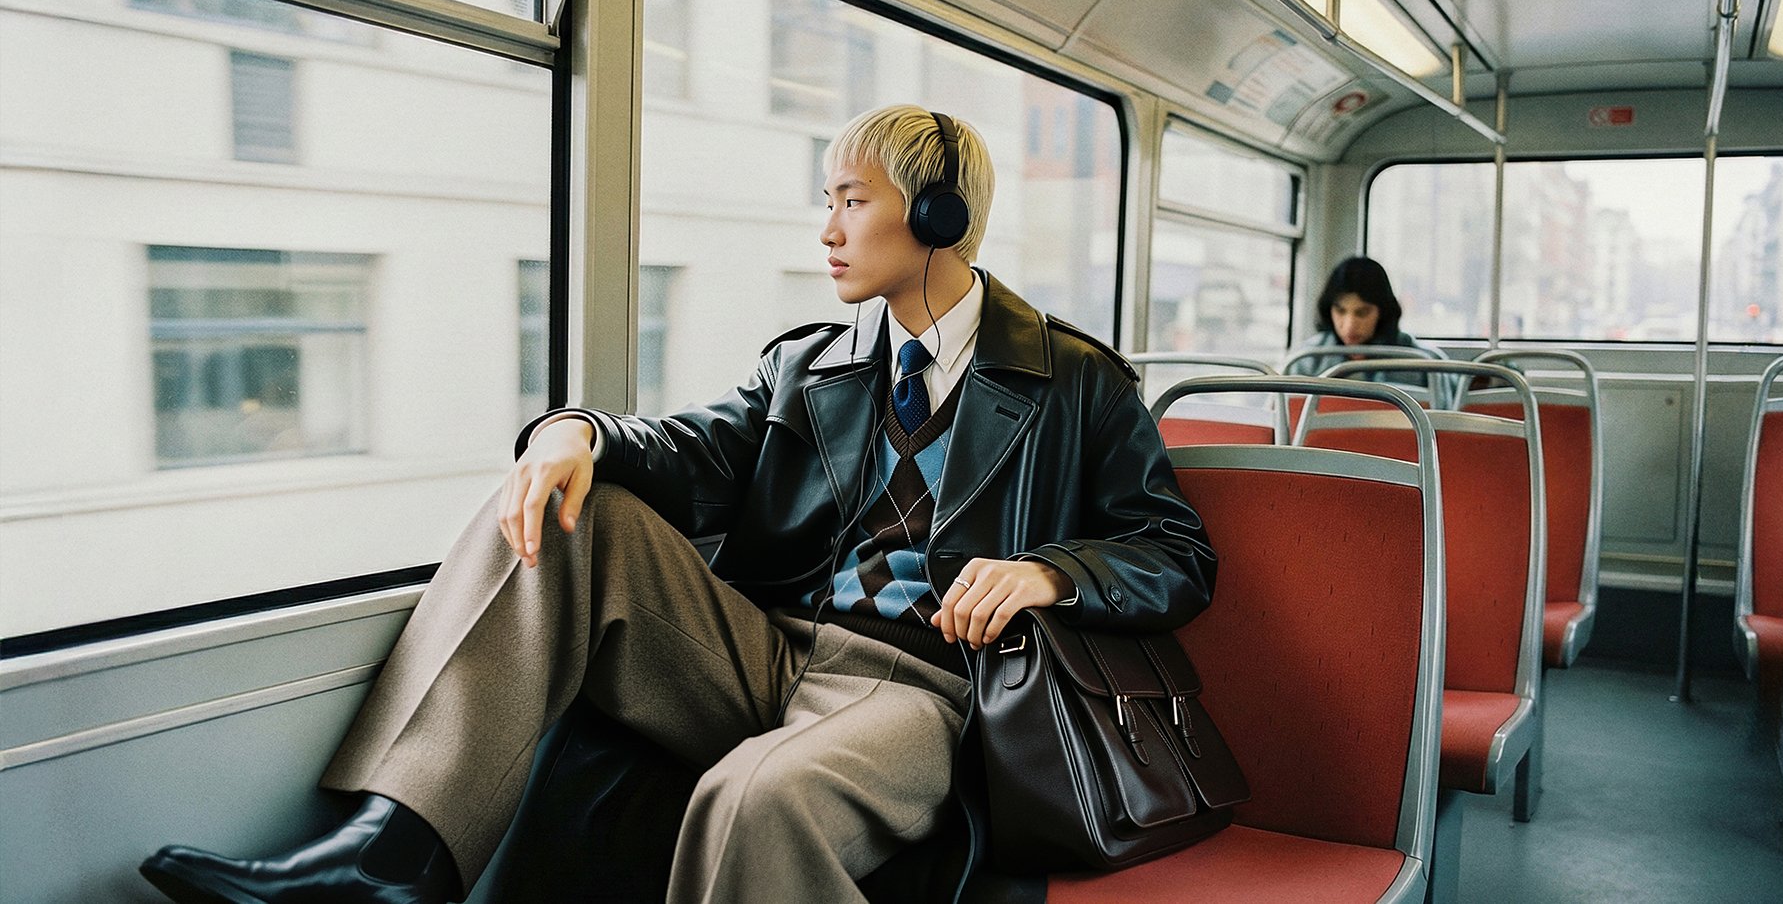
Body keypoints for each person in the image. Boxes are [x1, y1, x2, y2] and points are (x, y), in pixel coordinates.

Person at [138, 105, 1215, 904]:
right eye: (827, 201)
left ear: (937, 216)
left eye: (851, 200)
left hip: (929, 685)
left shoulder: (1075, 381)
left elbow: (1177, 551)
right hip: (769, 650)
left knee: (752, 799)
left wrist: (1050, 571)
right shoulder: (810, 368)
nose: (827, 230)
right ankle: (392, 854)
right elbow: (693, 449)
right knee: (576, 508)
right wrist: (578, 432)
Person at [1284, 255, 1451, 397]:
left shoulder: (1423, 362)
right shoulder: (1306, 359)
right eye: (1340, 311)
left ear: (1383, 311)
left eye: (1362, 313)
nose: (1349, 326)